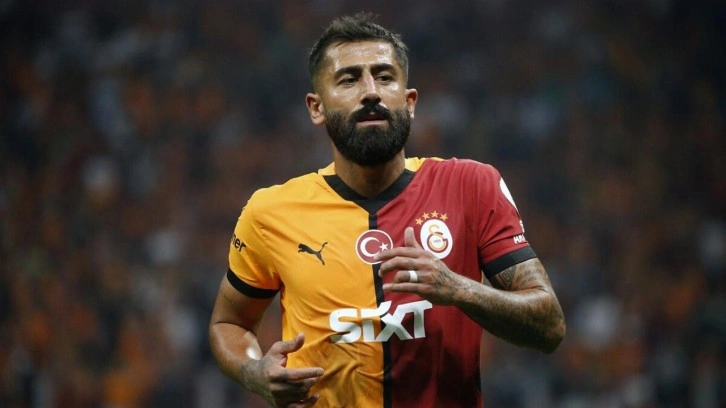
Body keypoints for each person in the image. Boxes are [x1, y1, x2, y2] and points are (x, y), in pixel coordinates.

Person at [209, 12, 566, 408]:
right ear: (316, 107)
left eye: (384, 77)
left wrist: (458, 288)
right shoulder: (270, 212)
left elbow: (549, 324)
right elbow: (229, 322)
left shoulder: (471, 186)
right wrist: (253, 372)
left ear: (409, 102)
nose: (370, 92)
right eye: (348, 79)